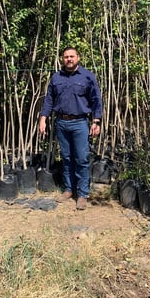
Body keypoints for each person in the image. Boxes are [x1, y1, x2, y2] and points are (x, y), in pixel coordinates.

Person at [39, 47, 103, 210]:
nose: (69, 59)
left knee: (81, 158)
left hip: (80, 123)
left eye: (72, 56)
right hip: (61, 123)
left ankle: (82, 194)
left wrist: (96, 121)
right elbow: (49, 99)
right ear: (62, 59)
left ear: (78, 58)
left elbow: (96, 99)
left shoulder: (87, 77)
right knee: (66, 158)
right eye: (66, 57)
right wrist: (43, 118)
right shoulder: (56, 78)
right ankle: (69, 189)